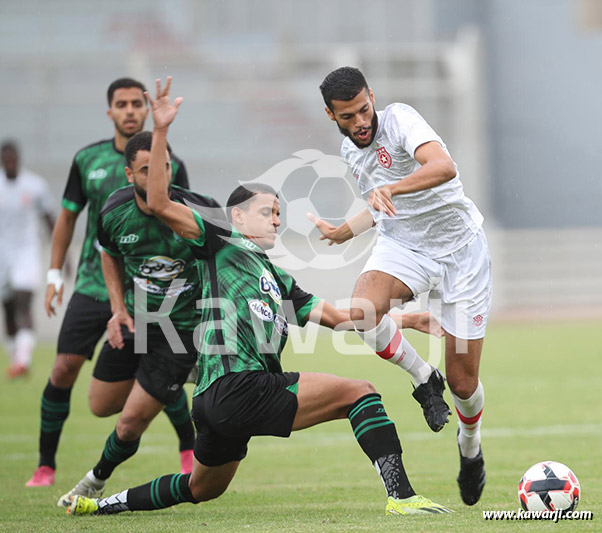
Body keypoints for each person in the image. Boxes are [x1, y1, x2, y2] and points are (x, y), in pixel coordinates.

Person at [66, 77, 451, 518]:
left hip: (214, 402)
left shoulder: (277, 278)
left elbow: (342, 318)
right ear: (236, 216)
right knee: (360, 393)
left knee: (202, 487)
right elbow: (156, 201)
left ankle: (99, 507)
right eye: (268, 211)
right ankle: (402, 498)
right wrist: (162, 130)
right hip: (238, 386)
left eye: (280, 214)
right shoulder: (217, 239)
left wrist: (406, 319)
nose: (276, 220)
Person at [314, 66, 490, 506]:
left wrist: (391, 186)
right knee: (362, 312)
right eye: (348, 117)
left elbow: (444, 167)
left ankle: (470, 449)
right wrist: (345, 232)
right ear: (330, 115)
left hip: (461, 253)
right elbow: (381, 205)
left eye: (363, 110)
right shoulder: (349, 150)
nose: (360, 122)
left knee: (464, 384)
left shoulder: (400, 120)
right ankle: (421, 377)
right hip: (406, 247)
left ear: (372, 97)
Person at [26, 78, 193, 488]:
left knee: (158, 367)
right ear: (110, 112)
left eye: (138, 103)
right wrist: (53, 274)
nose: (131, 110)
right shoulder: (88, 160)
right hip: (92, 282)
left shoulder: (168, 160)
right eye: (122, 104)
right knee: (64, 367)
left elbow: (180, 219)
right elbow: (67, 218)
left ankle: (187, 447)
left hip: (149, 290)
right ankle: (46, 465)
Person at [56, 130, 227, 506]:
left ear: (173, 170)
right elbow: (108, 253)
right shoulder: (114, 213)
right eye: (146, 170)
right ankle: (167, 380)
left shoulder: (202, 211)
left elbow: (228, 265)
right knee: (100, 405)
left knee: (130, 422)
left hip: (181, 331)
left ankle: (94, 480)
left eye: (163, 169)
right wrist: (117, 309)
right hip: (138, 321)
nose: (156, 178)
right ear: (129, 174)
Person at [0, 141, 55, 378]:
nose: (9, 161)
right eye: (5, 158)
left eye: (13, 157)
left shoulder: (35, 185)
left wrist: (60, 254)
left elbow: (50, 218)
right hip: (2, 254)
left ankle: (23, 360)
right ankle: (17, 358)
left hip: (26, 253)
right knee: (9, 309)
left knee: (24, 303)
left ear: (19, 158)